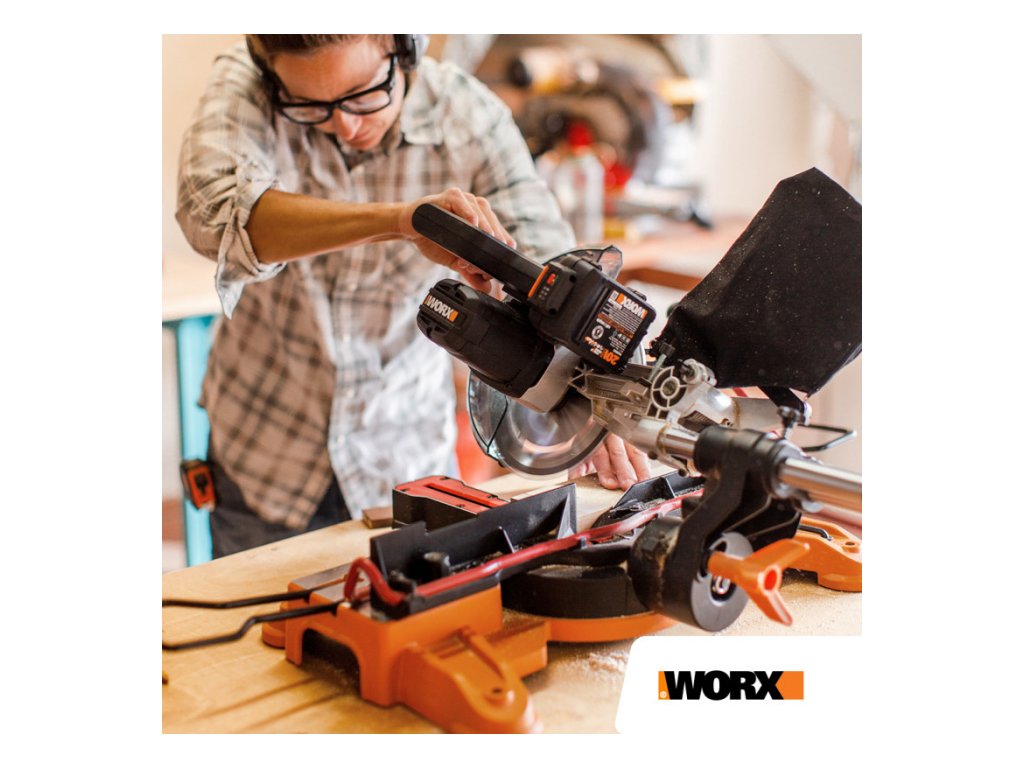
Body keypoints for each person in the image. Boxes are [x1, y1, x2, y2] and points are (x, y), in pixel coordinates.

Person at [176, 34, 651, 557]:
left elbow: (552, 259)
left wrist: (595, 377)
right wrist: (400, 221)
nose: (346, 126)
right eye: (310, 107)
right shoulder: (248, 82)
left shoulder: (468, 118)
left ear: (404, 48)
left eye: (364, 94)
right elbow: (212, 215)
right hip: (263, 457)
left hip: (405, 460)